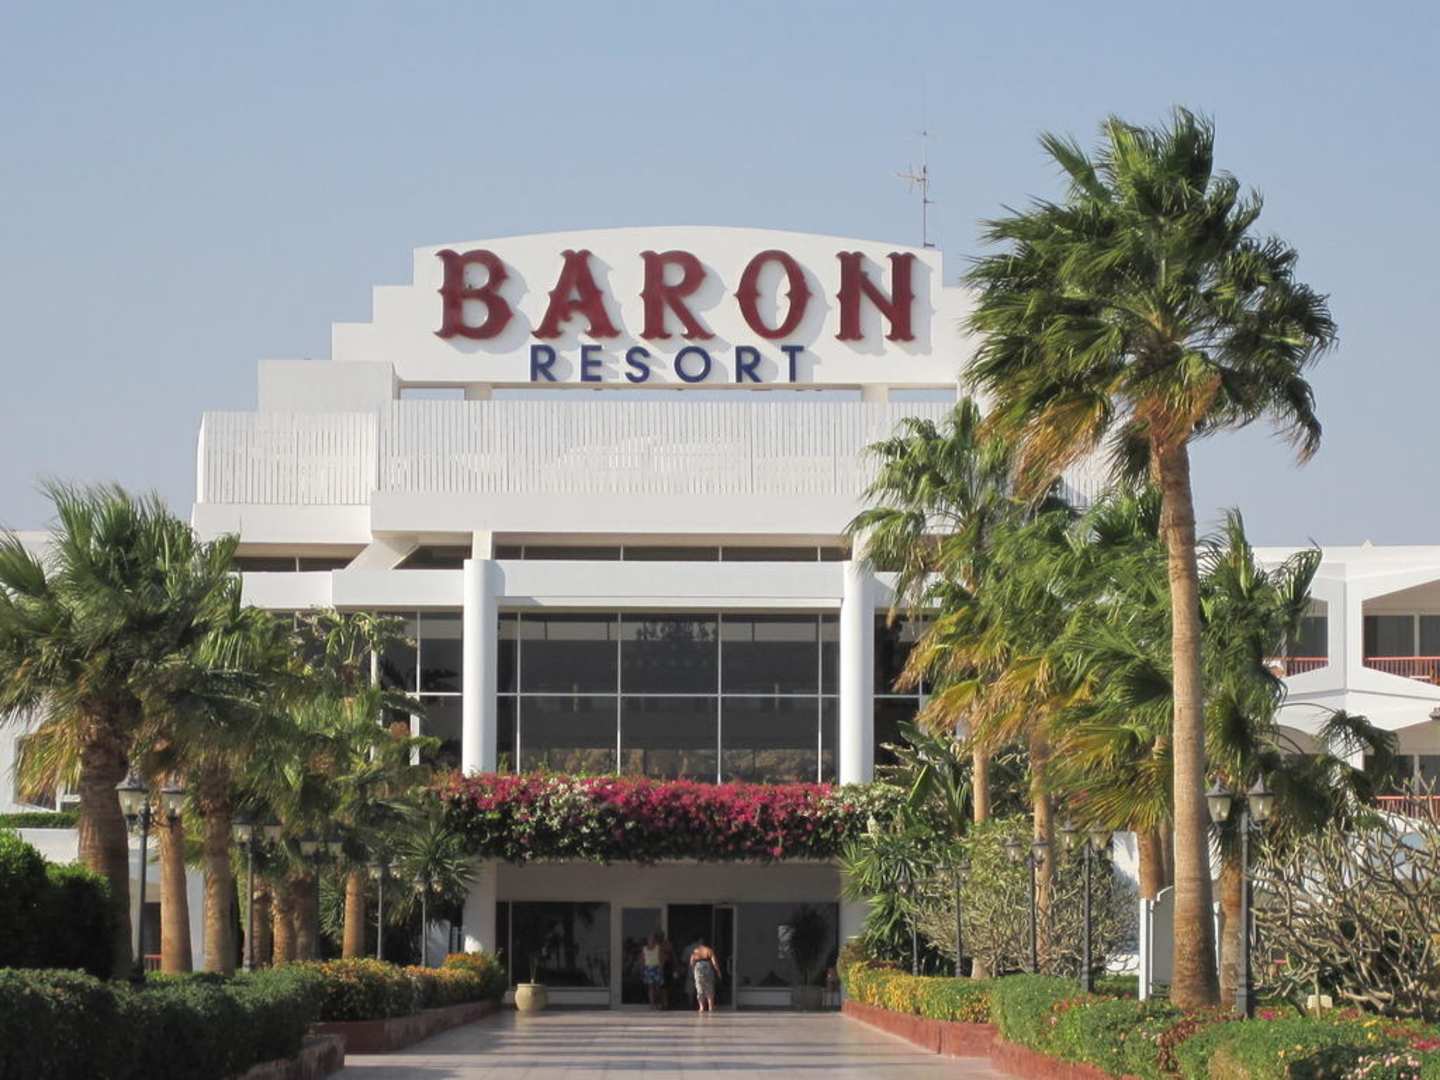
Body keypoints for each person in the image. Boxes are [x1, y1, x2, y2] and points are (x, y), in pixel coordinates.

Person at [689, 937, 720, 1013]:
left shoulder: (695, 951)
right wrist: (718, 971)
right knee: (709, 987)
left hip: (698, 967)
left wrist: (693, 971)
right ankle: (710, 1007)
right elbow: (714, 962)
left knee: (699, 987)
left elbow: (692, 962)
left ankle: (701, 1007)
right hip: (707, 967)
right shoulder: (709, 950)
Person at [641, 931, 665, 1009]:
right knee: (651, 987)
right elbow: (642, 960)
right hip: (648, 968)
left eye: (653, 938)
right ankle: (652, 1004)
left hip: (657, 968)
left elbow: (661, 958)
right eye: (650, 938)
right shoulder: (644, 948)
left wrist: (661, 968)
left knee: (658, 987)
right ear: (647, 940)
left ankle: (658, 1002)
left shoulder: (658, 947)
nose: (651, 940)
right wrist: (643, 969)